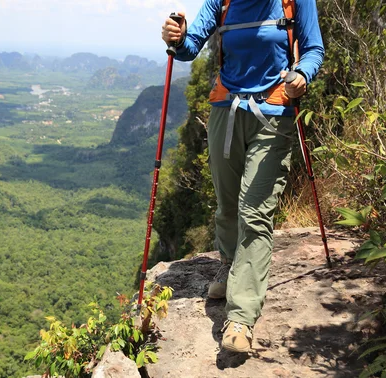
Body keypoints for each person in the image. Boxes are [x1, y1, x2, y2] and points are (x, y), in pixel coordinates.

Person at [161, 0, 324, 353]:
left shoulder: (295, 2)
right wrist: (177, 37)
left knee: (254, 211)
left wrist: (302, 75)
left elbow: (313, 49)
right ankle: (229, 263)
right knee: (227, 202)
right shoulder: (221, 2)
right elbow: (190, 48)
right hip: (226, 111)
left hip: (274, 114)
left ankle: (241, 316)